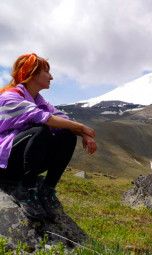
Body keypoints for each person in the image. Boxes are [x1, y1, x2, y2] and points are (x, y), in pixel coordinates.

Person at [0, 53, 97, 221]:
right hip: (5, 166)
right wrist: (83, 128)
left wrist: (84, 134)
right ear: (32, 73)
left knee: (66, 135)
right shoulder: (10, 97)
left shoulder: (40, 101)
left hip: (22, 164)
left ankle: (47, 191)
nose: (51, 77)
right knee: (40, 130)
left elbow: (64, 120)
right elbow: (42, 117)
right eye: (47, 71)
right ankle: (26, 190)